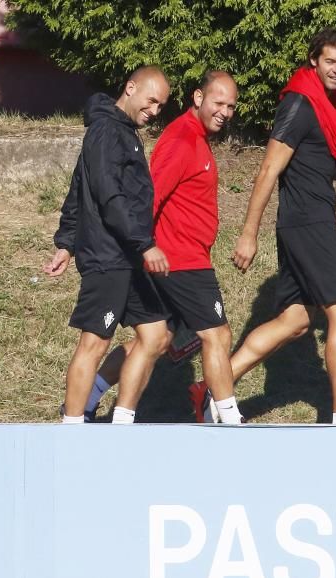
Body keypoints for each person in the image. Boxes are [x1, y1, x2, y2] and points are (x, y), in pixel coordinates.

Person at [82, 72, 246, 424]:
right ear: (198, 97)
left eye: (231, 106)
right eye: (219, 103)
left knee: (156, 340)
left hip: (180, 257)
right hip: (181, 260)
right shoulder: (183, 139)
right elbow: (148, 196)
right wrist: (145, 247)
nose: (225, 112)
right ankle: (230, 420)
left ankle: (95, 402)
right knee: (217, 334)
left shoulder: (196, 138)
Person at [226, 28, 336, 425]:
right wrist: (248, 234)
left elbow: (311, 159)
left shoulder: (327, 103)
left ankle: (215, 388)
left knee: (295, 321)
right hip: (309, 223)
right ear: (313, 61)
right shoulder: (300, 104)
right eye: (330, 62)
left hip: (306, 220)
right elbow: (268, 169)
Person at [45, 66, 171, 424]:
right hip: (109, 257)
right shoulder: (105, 131)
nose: (155, 110)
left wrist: (65, 243)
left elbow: (76, 189)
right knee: (94, 343)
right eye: (151, 101)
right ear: (130, 88)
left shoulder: (124, 132)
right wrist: (145, 244)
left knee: (156, 335)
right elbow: (106, 194)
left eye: (161, 105)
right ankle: (72, 427)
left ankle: (122, 421)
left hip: (127, 256)